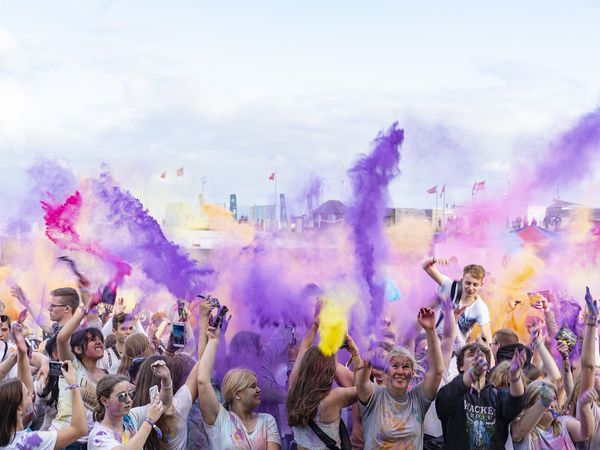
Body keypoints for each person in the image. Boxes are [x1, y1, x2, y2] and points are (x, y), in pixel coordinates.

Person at [353, 307, 444, 449]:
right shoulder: (375, 397)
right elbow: (361, 382)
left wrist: (430, 330)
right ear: (386, 372)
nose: (400, 371)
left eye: (406, 367)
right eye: (395, 366)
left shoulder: (418, 399)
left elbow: (437, 371)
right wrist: (368, 358)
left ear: (413, 372)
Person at [198, 323, 281, 449]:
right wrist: (214, 340)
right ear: (236, 394)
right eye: (253, 386)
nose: (259, 389)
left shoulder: (267, 421)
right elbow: (203, 381)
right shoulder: (220, 420)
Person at [435, 342, 526, 450]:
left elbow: (516, 402)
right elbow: (444, 402)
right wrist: (472, 374)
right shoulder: (453, 391)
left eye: (481, 356)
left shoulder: (498, 395)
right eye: (471, 355)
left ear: (487, 367)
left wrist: (515, 376)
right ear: (461, 366)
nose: (476, 359)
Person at [286, 320, 357, 449]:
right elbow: (365, 388)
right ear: (329, 371)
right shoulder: (333, 398)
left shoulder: (293, 389)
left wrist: (315, 324)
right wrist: (354, 352)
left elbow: (305, 346)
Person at [52, 289, 107, 449]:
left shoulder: (106, 376)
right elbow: (62, 338)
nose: (99, 342)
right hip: (65, 439)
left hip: (90, 441)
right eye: (91, 340)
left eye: (100, 339)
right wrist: (86, 307)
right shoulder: (72, 366)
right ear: (77, 349)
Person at [423, 258, 493, 346]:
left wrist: (490, 354)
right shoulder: (450, 286)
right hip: (434, 340)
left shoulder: (480, 307)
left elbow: (487, 335)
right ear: (462, 280)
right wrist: (435, 259)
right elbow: (425, 266)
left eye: (475, 285)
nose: (471, 288)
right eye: (468, 283)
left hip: (455, 347)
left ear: (481, 285)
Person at [88, 374, 167, 450]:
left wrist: (166, 379)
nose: (129, 400)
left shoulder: (130, 417)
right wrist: (149, 421)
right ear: (104, 401)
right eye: (122, 396)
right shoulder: (98, 437)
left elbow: (164, 404)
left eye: (130, 394)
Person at [510, 380, 596, 449]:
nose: (552, 404)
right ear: (531, 405)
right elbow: (517, 434)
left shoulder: (563, 423)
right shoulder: (525, 431)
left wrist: (585, 406)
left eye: (554, 398)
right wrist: (543, 404)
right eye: (544, 398)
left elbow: (586, 433)